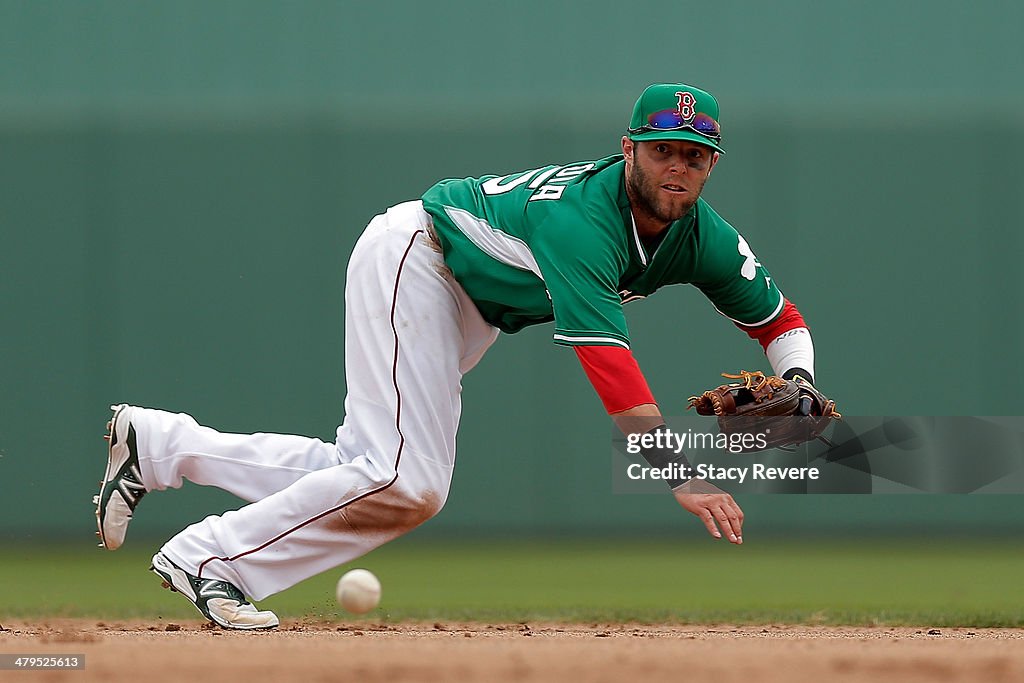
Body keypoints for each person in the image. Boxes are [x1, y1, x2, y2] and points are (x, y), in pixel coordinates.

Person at [93, 82, 820, 629]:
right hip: (421, 257)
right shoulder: (584, 222)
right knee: (410, 482)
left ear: (711, 166)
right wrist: (681, 475)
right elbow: (613, 372)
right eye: (663, 148)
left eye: (696, 156)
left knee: (373, 471)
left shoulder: (705, 237)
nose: (679, 167)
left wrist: (799, 382)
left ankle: (162, 446)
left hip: (468, 303)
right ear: (628, 149)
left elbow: (780, 318)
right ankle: (208, 560)